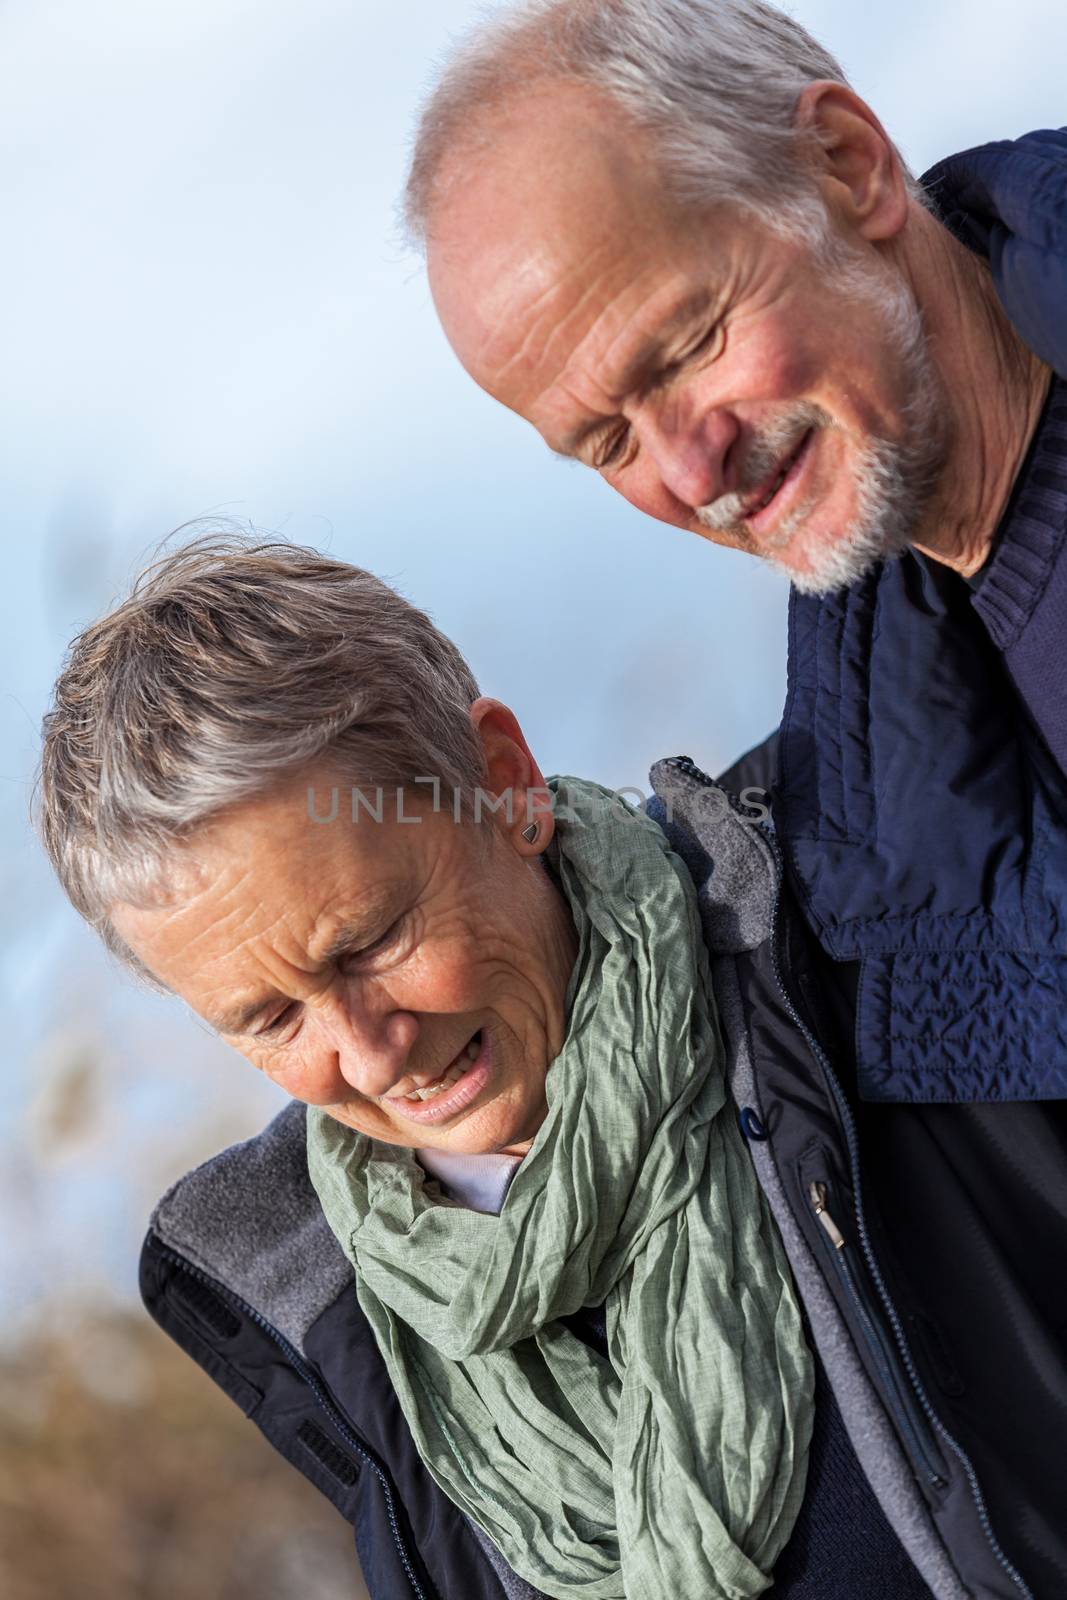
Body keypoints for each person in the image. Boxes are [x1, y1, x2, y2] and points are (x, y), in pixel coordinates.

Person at [403, 2, 1067, 1594]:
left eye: (682, 346)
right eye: (599, 442)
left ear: (844, 167)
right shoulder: (850, 861)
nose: (686, 470)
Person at [36, 535, 946, 1600]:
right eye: (272, 1016)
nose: (370, 1050)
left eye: (372, 939)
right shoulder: (330, 1326)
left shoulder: (875, 971)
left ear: (505, 783)